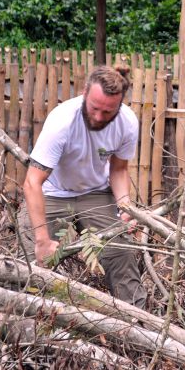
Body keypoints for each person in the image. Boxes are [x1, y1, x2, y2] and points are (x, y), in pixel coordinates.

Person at [19, 65, 147, 309]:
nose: (99, 117)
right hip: (53, 193)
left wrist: (125, 208)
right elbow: (32, 182)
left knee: (122, 252)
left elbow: (118, 170)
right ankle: (22, 320)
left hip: (95, 194)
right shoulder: (62, 120)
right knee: (29, 262)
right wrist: (42, 240)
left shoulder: (127, 123)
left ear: (119, 106)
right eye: (95, 108)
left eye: (107, 112)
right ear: (85, 92)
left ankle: (136, 324)